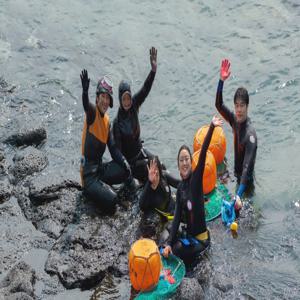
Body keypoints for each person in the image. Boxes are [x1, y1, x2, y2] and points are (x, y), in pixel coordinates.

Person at [162, 116, 223, 266]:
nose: (184, 162)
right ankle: (168, 248)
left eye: (187, 159)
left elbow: (202, 154)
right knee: (169, 230)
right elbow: (176, 218)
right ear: (178, 165)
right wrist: (168, 243)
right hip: (189, 235)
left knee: (177, 249)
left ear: (191, 162)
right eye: (181, 160)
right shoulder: (181, 187)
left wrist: (211, 127)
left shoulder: (195, 181)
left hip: (201, 241)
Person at [80, 69, 132, 213]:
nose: (104, 100)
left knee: (125, 170)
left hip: (100, 170)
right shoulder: (92, 114)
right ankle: (95, 192)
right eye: (102, 96)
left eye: (107, 98)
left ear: (110, 102)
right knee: (113, 200)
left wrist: (124, 162)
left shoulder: (107, 121)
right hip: (89, 177)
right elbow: (86, 105)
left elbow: (113, 149)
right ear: (97, 98)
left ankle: (103, 187)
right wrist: (85, 93)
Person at [215, 59, 257, 211]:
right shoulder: (234, 121)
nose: (238, 110)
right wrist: (221, 81)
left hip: (247, 184)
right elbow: (218, 105)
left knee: (246, 217)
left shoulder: (250, 135)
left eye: (242, 106)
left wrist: (239, 194)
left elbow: (247, 168)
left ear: (247, 106)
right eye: (237, 106)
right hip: (236, 175)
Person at [112, 47, 158, 183]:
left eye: (128, 98)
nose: (127, 102)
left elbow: (145, 89)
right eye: (124, 99)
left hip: (140, 152)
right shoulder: (117, 123)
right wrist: (127, 170)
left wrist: (153, 70)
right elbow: (118, 152)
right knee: (152, 171)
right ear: (120, 99)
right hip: (131, 163)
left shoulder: (134, 105)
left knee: (158, 163)